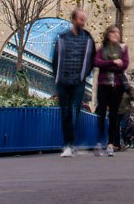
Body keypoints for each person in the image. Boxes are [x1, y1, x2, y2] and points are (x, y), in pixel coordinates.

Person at [53, 8, 95, 158]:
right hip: (63, 81)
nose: (83, 23)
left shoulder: (88, 39)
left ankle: (70, 144)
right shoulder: (62, 38)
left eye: (84, 20)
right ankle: (67, 144)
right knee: (65, 113)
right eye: (80, 19)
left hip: (78, 82)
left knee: (74, 112)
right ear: (73, 19)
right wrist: (56, 78)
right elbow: (55, 59)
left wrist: (84, 76)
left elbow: (91, 60)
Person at [94, 25, 129, 157]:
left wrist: (107, 64)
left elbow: (124, 65)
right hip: (103, 85)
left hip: (117, 86)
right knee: (101, 112)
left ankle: (110, 144)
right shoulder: (101, 48)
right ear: (108, 34)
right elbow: (96, 62)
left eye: (118, 33)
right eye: (113, 32)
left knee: (113, 115)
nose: (116, 35)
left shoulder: (123, 48)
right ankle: (99, 141)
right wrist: (114, 62)